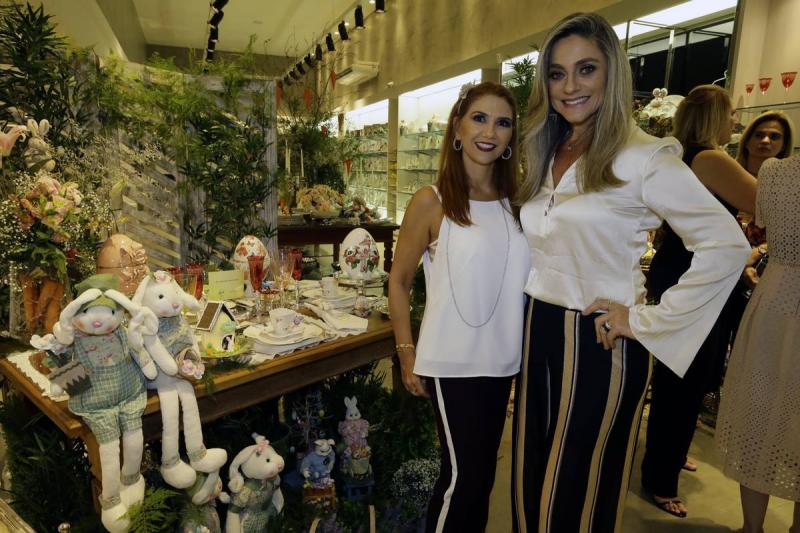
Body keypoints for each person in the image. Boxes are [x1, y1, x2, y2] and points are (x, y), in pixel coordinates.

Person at [511, 13, 751, 533]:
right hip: (538, 331)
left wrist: (646, 321)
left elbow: (727, 245)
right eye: (557, 73)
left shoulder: (644, 156)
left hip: (599, 339)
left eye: (586, 69)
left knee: (573, 495)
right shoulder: (548, 147)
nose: (569, 86)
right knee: (530, 480)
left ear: (612, 74)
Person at [388, 81, 530, 533]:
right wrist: (406, 352)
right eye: (479, 118)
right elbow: (399, 281)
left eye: (502, 122)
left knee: (482, 476)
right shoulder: (432, 201)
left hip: (503, 361)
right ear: (457, 127)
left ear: (511, 136)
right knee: (462, 479)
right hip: (451, 362)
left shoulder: (519, 203)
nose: (490, 131)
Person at [641, 84, 758, 518]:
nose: (735, 124)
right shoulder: (709, 159)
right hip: (696, 277)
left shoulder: (686, 157)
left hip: (684, 271)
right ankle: (660, 477)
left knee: (685, 376)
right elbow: (765, 202)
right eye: (730, 116)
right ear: (715, 118)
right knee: (684, 379)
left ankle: (668, 459)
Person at [716, 154, 800, 533]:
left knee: (758, 411)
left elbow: (766, 224)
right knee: (765, 410)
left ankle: (752, 527)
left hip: (776, 298)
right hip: (777, 303)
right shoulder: (774, 172)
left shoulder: (775, 172)